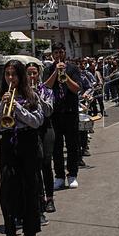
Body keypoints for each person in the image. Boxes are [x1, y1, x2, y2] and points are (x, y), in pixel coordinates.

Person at [0, 60, 45, 236]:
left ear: (20, 76)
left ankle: (31, 233)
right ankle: (10, 232)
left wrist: (17, 108)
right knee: (6, 190)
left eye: (14, 74)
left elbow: (37, 121)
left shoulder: (32, 96)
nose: (10, 78)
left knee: (30, 187)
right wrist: (3, 106)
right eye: (7, 74)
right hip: (8, 143)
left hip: (28, 141)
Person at [42, 42, 82, 190]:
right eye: (56, 53)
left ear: (65, 53)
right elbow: (45, 87)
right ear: (53, 55)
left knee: (72, 145)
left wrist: (65, 76)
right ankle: (59, 176)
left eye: (61, 52)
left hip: (70, 112)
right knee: (56, 147)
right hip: (55, 113)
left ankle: (72, 175)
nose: (59, 55)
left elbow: (77, 88)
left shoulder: (73, 68)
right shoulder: (48, 69)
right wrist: (55, 73)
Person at [27, 64, 56, 214]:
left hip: (46, 128)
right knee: (35, 165)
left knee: (46, 163)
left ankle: (50, 198)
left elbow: (48, 111)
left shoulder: (47, 90)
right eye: (29, 74)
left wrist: (37, 97)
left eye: (34, 73)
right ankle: (40, 198)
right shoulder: (22, 92)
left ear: (39, 74)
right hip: (31, 130)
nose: (32, 77)